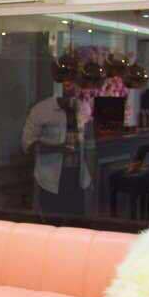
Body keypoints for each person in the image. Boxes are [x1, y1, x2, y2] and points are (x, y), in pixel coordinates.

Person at [21, 79, 94, 218]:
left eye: (76, 85)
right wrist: (58, 148)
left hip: (78, 179)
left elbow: (89, 145)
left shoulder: (83, 108)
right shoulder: (41, 110)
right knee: (52, 224)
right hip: (50, 181)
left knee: (76, 225)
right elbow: (28, 146)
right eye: (69, 84)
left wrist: (91, 178)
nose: (74, 89)